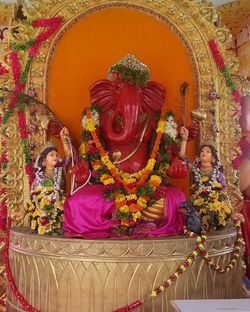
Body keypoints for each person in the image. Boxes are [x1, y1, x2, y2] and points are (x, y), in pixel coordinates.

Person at [63, 55, 195, 238]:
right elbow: (90, 155)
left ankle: (125, 219)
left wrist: (174, 165)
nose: (130, 96)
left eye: (138, 90)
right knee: (77, 201)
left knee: (177, 199)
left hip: (148, 187)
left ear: (149, 95)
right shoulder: (99, 117)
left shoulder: (155, 119)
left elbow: (165, 155)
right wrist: (84, 171)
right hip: (109, 188)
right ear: (106, 93)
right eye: (121, 89)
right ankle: (132, 219)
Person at [25, 127, 71, 235]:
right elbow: (34, 198)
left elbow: (69, 155)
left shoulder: (61, 170)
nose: (55, 156)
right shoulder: (39, 178)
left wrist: (64, 139)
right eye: (51, 155)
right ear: (44, 160)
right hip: (43, 215)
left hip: (62, 213)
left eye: (56, 155)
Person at [190, 144, 231, 231]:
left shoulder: (218, 173)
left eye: (207, 151)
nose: (204, 152)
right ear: (199, 157)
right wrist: (184, 141)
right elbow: (183, 157)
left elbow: (224, 191)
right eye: (202, 151)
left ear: (213, 158)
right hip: (197, 202)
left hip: (215, 203)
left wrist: (230, 209)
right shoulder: (194, 170)